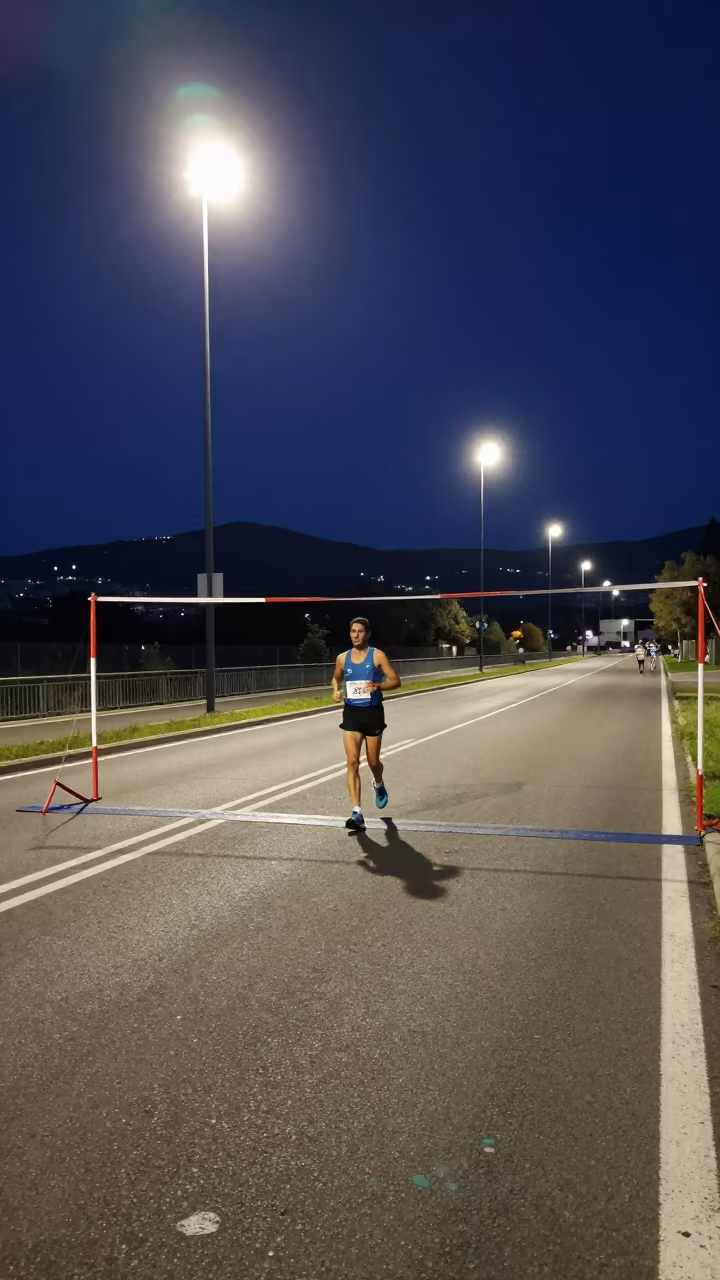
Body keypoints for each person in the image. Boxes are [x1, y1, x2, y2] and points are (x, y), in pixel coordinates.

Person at [332, 617, 402, 830]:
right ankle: (357, 812)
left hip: (372, 713)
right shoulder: (342, 658)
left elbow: (396, 681)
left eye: (360, 631)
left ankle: (378, 782)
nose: (355, 635)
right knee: (352, 762)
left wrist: (379, 686)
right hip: (352, 713)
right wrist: (335, 690)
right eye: (352, 631)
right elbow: (336, 678)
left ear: (368, 634)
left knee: (373, 762)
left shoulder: (377, 655)